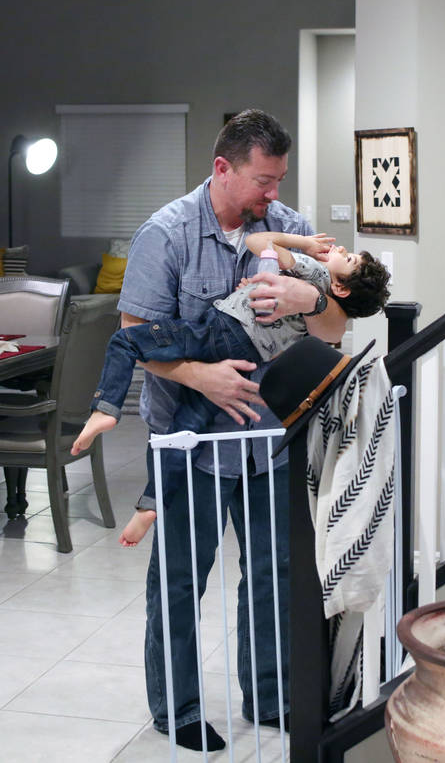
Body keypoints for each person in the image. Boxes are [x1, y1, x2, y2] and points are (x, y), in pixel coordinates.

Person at [118, 109, 351, 751]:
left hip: (273, 439)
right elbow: (135, 338)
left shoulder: (290, 230)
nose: (273, 196)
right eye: (262, 181)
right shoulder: (165, 235)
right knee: (181, 576)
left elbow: (335, 330)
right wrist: (199, 377)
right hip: (190, 441)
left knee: (274, 572)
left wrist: (311, 302)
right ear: (223, 169)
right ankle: (178, 708)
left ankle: (271, 698)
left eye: (279, 181)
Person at [72, 230, 390, 546]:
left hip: (220, 330)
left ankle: (105, 409)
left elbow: (256, 242)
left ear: (340, 287)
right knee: (186, 430)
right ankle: (150, 504)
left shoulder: (314, 270)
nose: (343, 248)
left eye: (348, 259)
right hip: (243, 354)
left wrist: (304, 245)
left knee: (125, 340)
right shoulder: (320, 310)